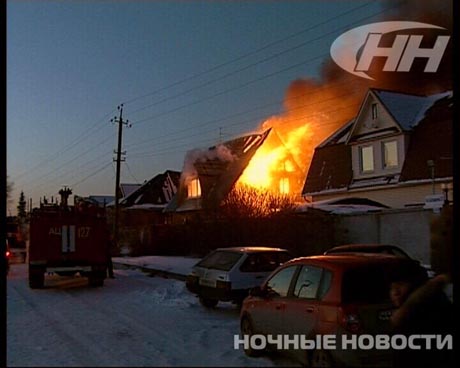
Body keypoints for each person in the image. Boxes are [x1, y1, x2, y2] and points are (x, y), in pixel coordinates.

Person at [388, 262, 454, 367]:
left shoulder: (427, 315)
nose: (395, 292)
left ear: (416, 286)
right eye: (392, 287)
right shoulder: (409, 314)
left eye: (400, 285)